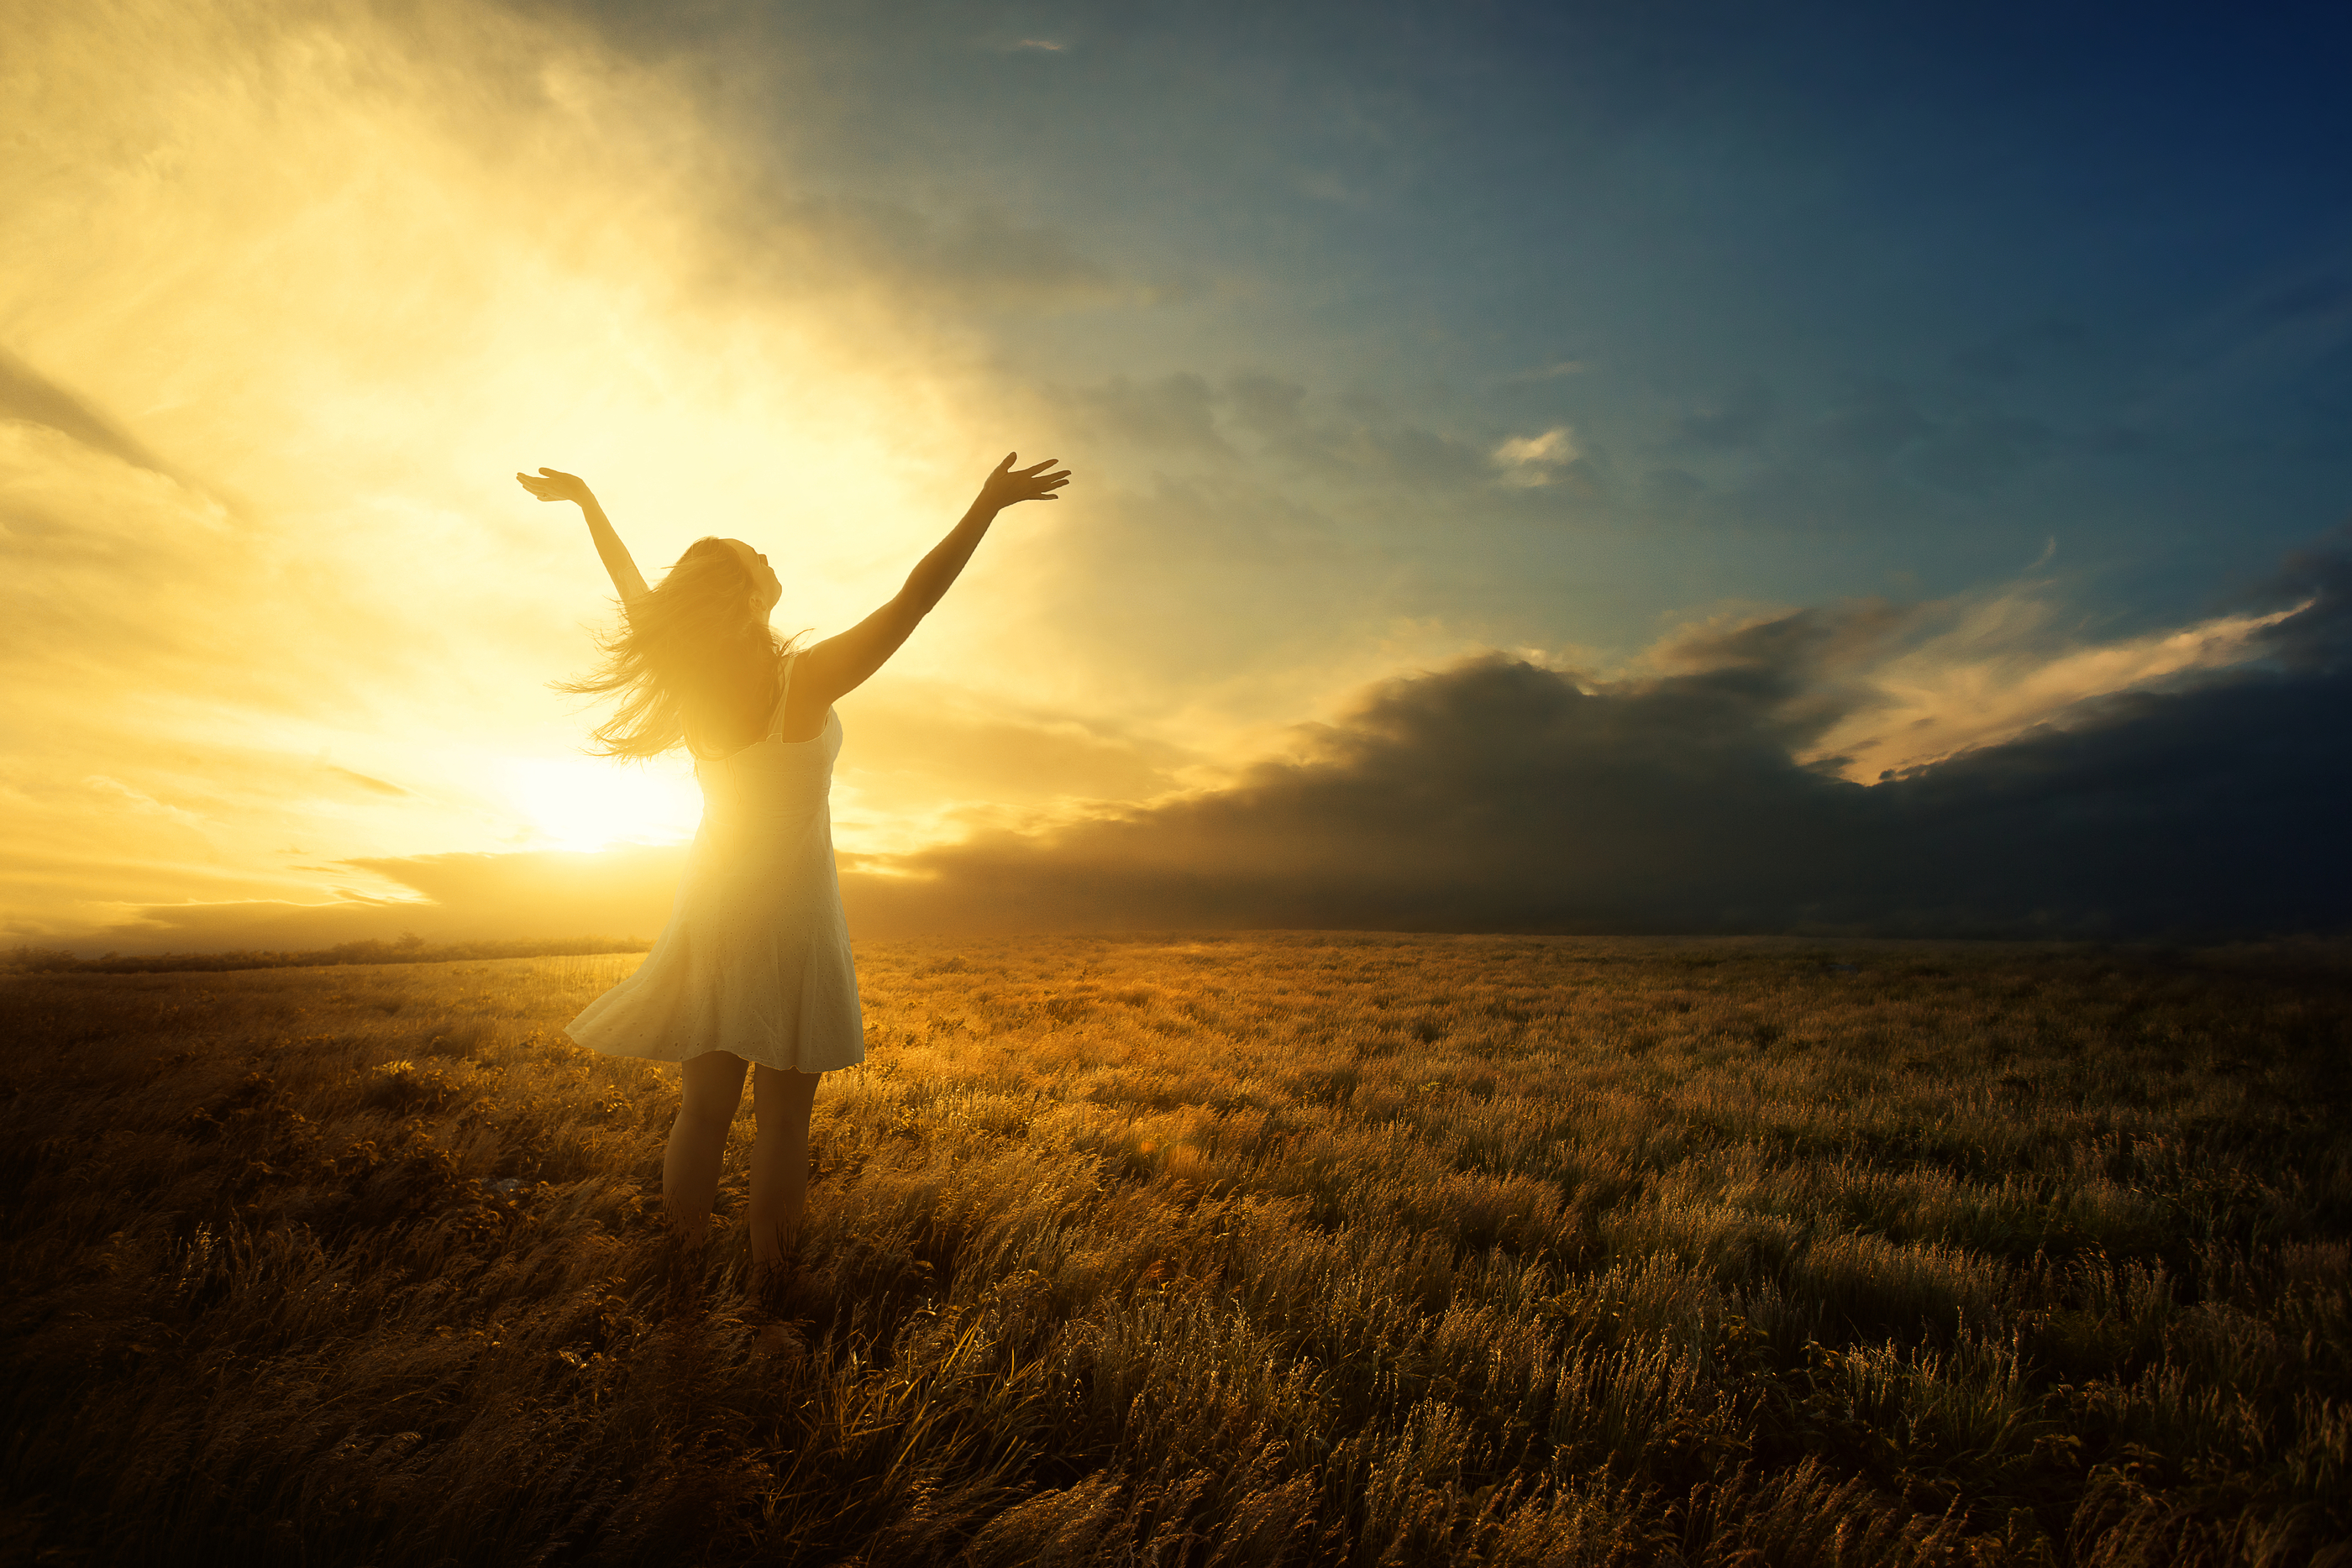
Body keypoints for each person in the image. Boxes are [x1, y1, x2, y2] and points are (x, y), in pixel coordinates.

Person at [516, 452, 1072, 1284]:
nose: (771, 560)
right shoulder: (804, 681)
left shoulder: (693, 683)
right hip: (790, 921)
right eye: (756, 558)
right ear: (745, 595)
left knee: (701, 1113)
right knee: (781, 1126)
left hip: (710, 908)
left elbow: (637, 591)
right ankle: (771, 1289)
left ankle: (682, 1275)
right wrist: (985, 507)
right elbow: (914, 599)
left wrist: (590, 504)